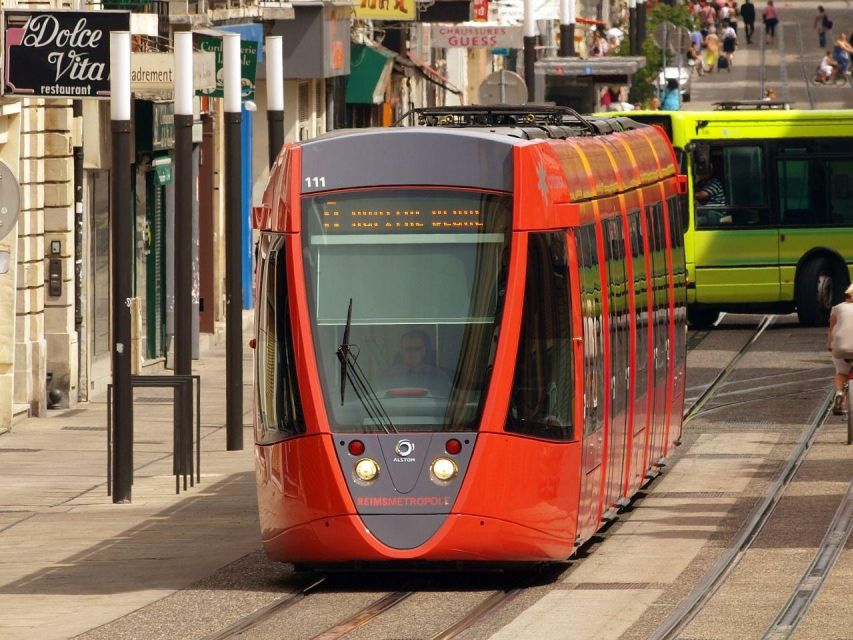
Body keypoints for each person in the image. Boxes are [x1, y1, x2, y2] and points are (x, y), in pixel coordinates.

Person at [378, 330, 451, 397]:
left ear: (424, 350)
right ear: (401, 351)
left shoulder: (439, 376)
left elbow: (449, 402)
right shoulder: (386, 377)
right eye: (408, 348)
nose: (413, 353)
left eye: (417, 348)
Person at [828, 284, 853, 414]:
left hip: (841, 348)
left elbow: (831, 330)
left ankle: (839, 393)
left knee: (842, 373)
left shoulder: (837, 308)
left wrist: (829, 346)